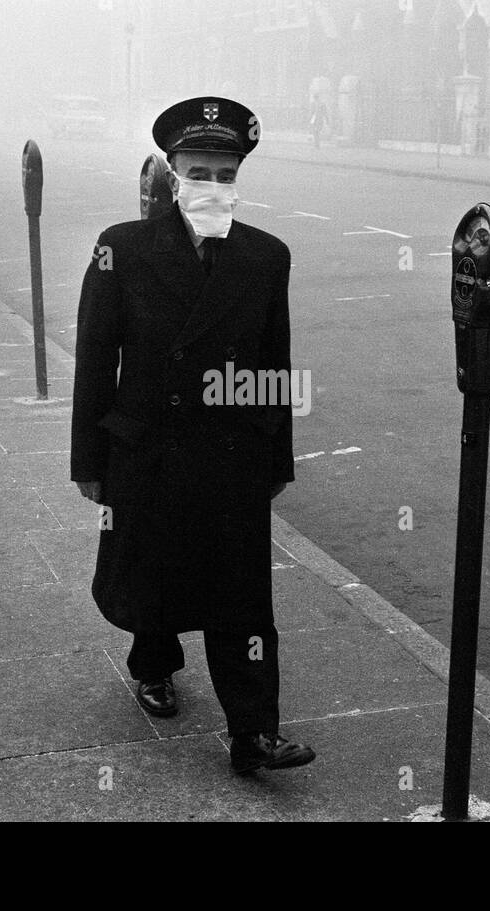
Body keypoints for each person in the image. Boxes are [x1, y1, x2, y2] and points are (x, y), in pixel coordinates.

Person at [70, 96, 315, 775]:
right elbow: (96, 361)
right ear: (171, 173)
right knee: (154, 574)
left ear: (238, 177)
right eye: (197, 170)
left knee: (242, 596)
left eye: (223, 172)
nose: (211, 184)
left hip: (232, 452)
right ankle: (153, 662)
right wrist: (88, 459)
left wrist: (277, 455)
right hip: (147, 447)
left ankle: (254, 731)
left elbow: (274, 362)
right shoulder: (121, 249)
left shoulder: (266, 257)